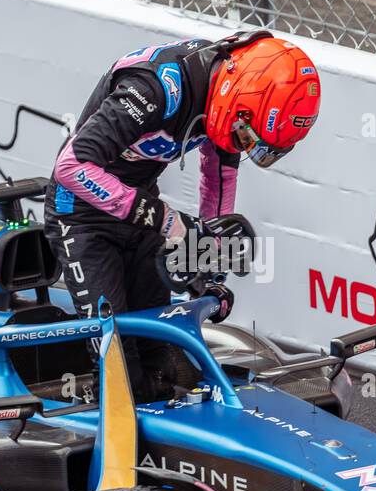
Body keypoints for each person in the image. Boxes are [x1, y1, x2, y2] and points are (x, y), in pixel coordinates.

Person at [43, 31, 320, 393]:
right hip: (80, 216)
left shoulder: (230, 106)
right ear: (237, 98)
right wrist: (165, 220)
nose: (243, 145)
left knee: (161, 354)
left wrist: (210, 269)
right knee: (120, 366)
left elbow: (218, 181)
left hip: (139, 213)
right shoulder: (156, 89)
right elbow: (71, 167)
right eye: (245, 138)